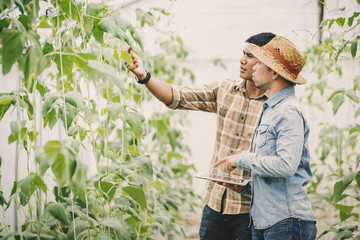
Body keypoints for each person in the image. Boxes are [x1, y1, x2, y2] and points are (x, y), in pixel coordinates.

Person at [124, 32, 276, 239]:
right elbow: (177, 96)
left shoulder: (276, 106)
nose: (242, 60)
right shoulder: (224, 89)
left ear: (268, 65)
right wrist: (144, 76)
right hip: (214, 205)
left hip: (249, 211)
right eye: (243, 53)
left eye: (250, 56)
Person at [214, 35, 317, 240]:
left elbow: (286, 165)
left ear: (274, 73)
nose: (253, 67)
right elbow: (275, 173)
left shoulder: (288, 112)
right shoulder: (271, 108)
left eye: (259, 63)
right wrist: (247, 187)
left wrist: (241, 159)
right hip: (266, 221)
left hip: (286, 222)